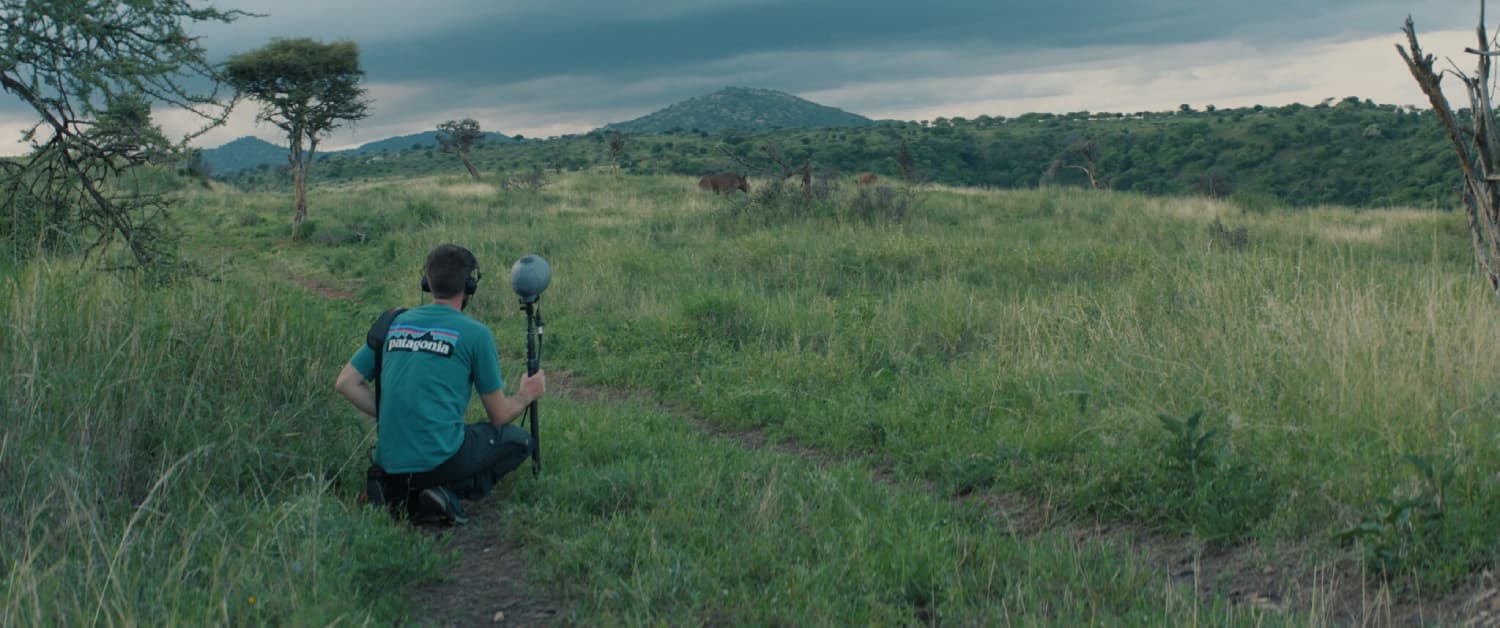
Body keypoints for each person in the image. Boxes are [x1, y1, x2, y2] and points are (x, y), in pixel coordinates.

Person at [334, 243, 545, 525]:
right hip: (440, 458)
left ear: (427, 281)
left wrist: (389, 414)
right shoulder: (476, 334)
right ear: (470, 285)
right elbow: (500, 415)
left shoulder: (392, 323)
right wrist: (525, 395)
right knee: (518, 441)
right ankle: (443, 491)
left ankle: (406, 493)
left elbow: (346, 382)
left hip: (389, 463)